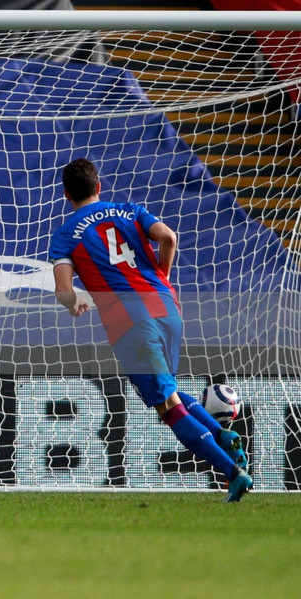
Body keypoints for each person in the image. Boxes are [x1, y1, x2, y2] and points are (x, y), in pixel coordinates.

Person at [48, 158, 251, 501]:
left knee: (167, 407)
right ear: (99, 186)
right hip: (167, 308)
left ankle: (232, 473)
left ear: (67, 194)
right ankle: (222, 434)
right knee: (168, 390)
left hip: (129, 320)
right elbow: (168, 237)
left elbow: (63, 291)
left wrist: (74, 302)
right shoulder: (130, 210)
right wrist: (163, 277)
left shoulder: (66, 235)